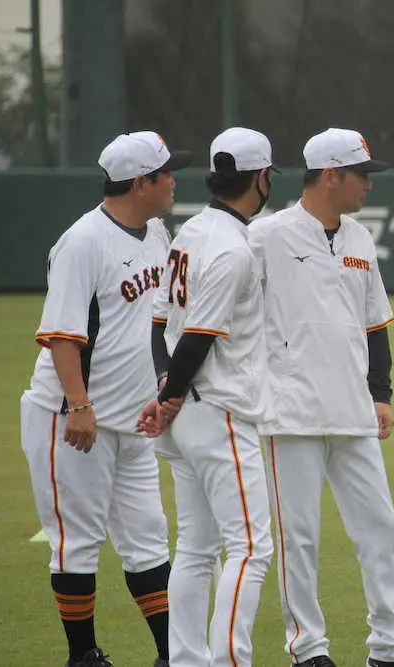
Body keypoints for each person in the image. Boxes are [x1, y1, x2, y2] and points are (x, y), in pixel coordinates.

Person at [247, 128, 394, 667]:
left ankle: (391, 647)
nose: (368, 187)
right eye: (362, 176)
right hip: (291, 409)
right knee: (299, 536)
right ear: (331, 175)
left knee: (380, 523)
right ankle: (307, 650)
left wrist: (382, 395)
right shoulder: (266, 236)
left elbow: (375, 324)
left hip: (353, 407)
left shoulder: (358, 238)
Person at [20, 130, 191, 667]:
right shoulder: (84, 241)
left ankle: (172, 655)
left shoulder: (158, 233)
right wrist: (78, 405)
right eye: (166, 174)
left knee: (148, 539)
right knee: (77, 540)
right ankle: (84, 656)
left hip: (133, 419)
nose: (174, 182)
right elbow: (62, 335)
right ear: (142, 183)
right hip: (71, 419)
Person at [136, 127, 277, 667]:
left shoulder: (189, 232)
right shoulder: (234, 248)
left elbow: (158, 326)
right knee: (250, 549)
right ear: (260, 179)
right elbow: (198, 337)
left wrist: (165, 392)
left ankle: (186, 660)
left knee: (195, 549)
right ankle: (229, 661)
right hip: (218, 413)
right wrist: (171, 395)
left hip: (185, 414)